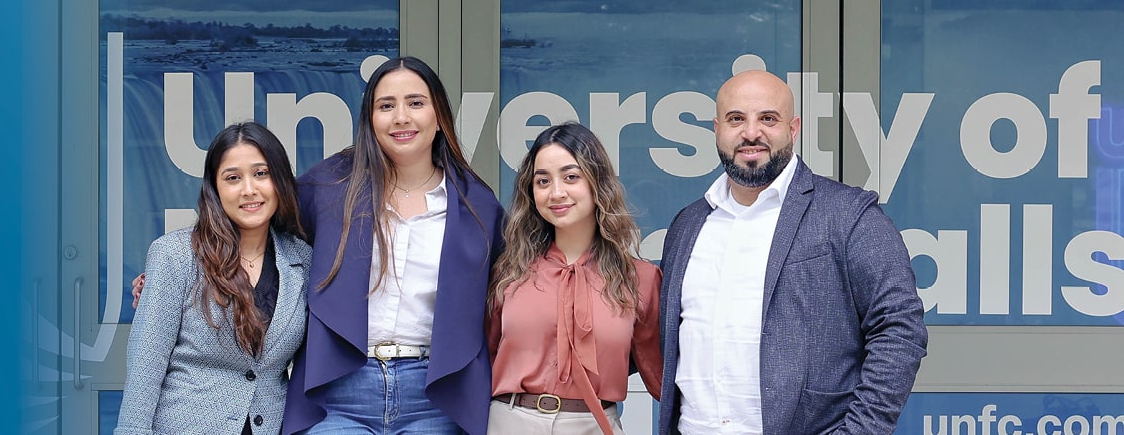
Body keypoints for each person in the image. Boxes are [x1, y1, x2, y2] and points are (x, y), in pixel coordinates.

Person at [656, 70, 928, 434]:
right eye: (737, 119)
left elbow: (900, 327)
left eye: (768, 118)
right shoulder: (688, 225)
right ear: (717, 129)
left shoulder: (849, 214)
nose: (751, 132)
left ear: (794, 128)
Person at [284, 56, 505, 434]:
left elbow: (516, 287)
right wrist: (188, 273)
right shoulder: (328, 187)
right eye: (386, 106)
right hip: (338, 391)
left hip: (435, 396)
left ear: (439, 118)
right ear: (370, 120)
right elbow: (259, 239)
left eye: (415, 103)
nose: (401, 117)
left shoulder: (477, 205)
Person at [116, 121, 312, 435]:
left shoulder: (302, 259)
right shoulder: (174, 254)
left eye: (261, 174)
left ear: (280, 181)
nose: (249, 189)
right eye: (233, 178)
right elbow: (145, 367)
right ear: (215, 188)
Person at [485, 122, 661, 435]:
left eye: (571, 177)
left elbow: (659, 374)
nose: (556, 193)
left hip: (594, 423)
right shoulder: (508, 272)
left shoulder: (640, 279)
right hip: (510, 422)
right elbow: (483, 358)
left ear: (597, 184)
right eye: (542, 181)